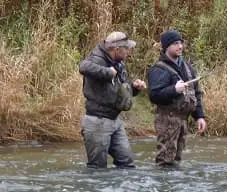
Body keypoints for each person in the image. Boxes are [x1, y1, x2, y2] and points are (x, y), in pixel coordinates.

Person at [78, 31, 147, 168]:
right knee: (97, 169)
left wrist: (135, 87)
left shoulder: (119, 64)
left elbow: (120, 92)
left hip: (115, 121)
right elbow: (83, 66)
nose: (128, 51)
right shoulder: (96, 58)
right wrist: (107, 72)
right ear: (117, 49)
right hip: (97, 122)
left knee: (127, 164)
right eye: (126, 48)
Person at [147, 30, 206, 166]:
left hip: (183, 121)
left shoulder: (188, 68)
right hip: (167, 120)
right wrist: (173, 90)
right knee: (165, 161)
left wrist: (199, 116)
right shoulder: (158, 69)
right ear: (167, 47)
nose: (180, 46)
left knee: (177, 161)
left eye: (181, 43)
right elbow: (154, 96)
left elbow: (196, 93)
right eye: (175, 43)